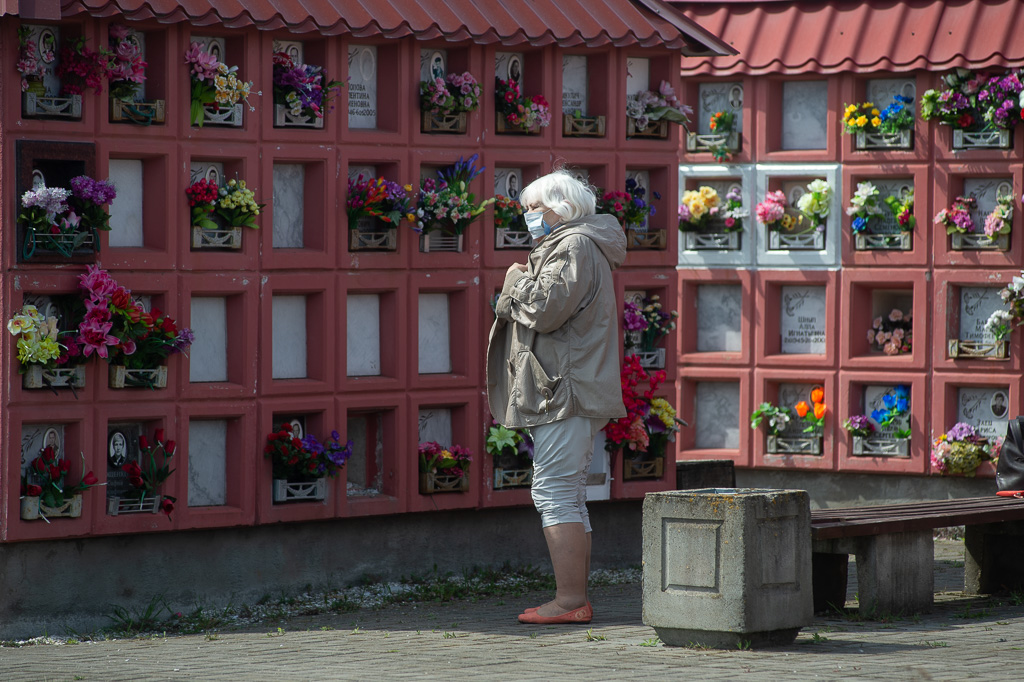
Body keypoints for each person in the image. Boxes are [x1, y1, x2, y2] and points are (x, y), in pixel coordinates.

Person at [486, 170, 627, 625]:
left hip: (563, 389)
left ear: (561, 208)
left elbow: (545, 311)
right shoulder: (577, 244)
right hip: (566, 387)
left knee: (554, 493)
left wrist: (512, 283)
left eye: (535, 208)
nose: (528, 216)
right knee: (566, 494)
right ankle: (573, 599)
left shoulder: (574, 245)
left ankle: (570, 602)